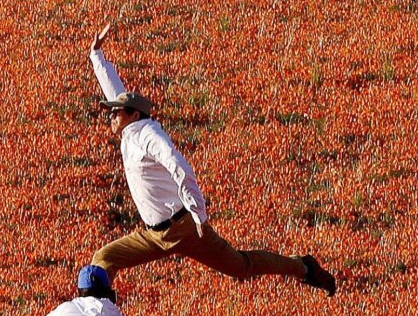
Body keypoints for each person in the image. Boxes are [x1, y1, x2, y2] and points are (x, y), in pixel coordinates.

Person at [86, 24, 336, 295]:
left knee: (241, 267)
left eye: (116, 113)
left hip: (185, 228)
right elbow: (115, 92)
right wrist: (96, 56)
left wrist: (197, 213)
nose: (110, 116)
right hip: (155, 235)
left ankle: (304, 268)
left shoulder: (148, 135)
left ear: (133, 115)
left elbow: (178, 165)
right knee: (103, 260)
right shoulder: (130, 130)